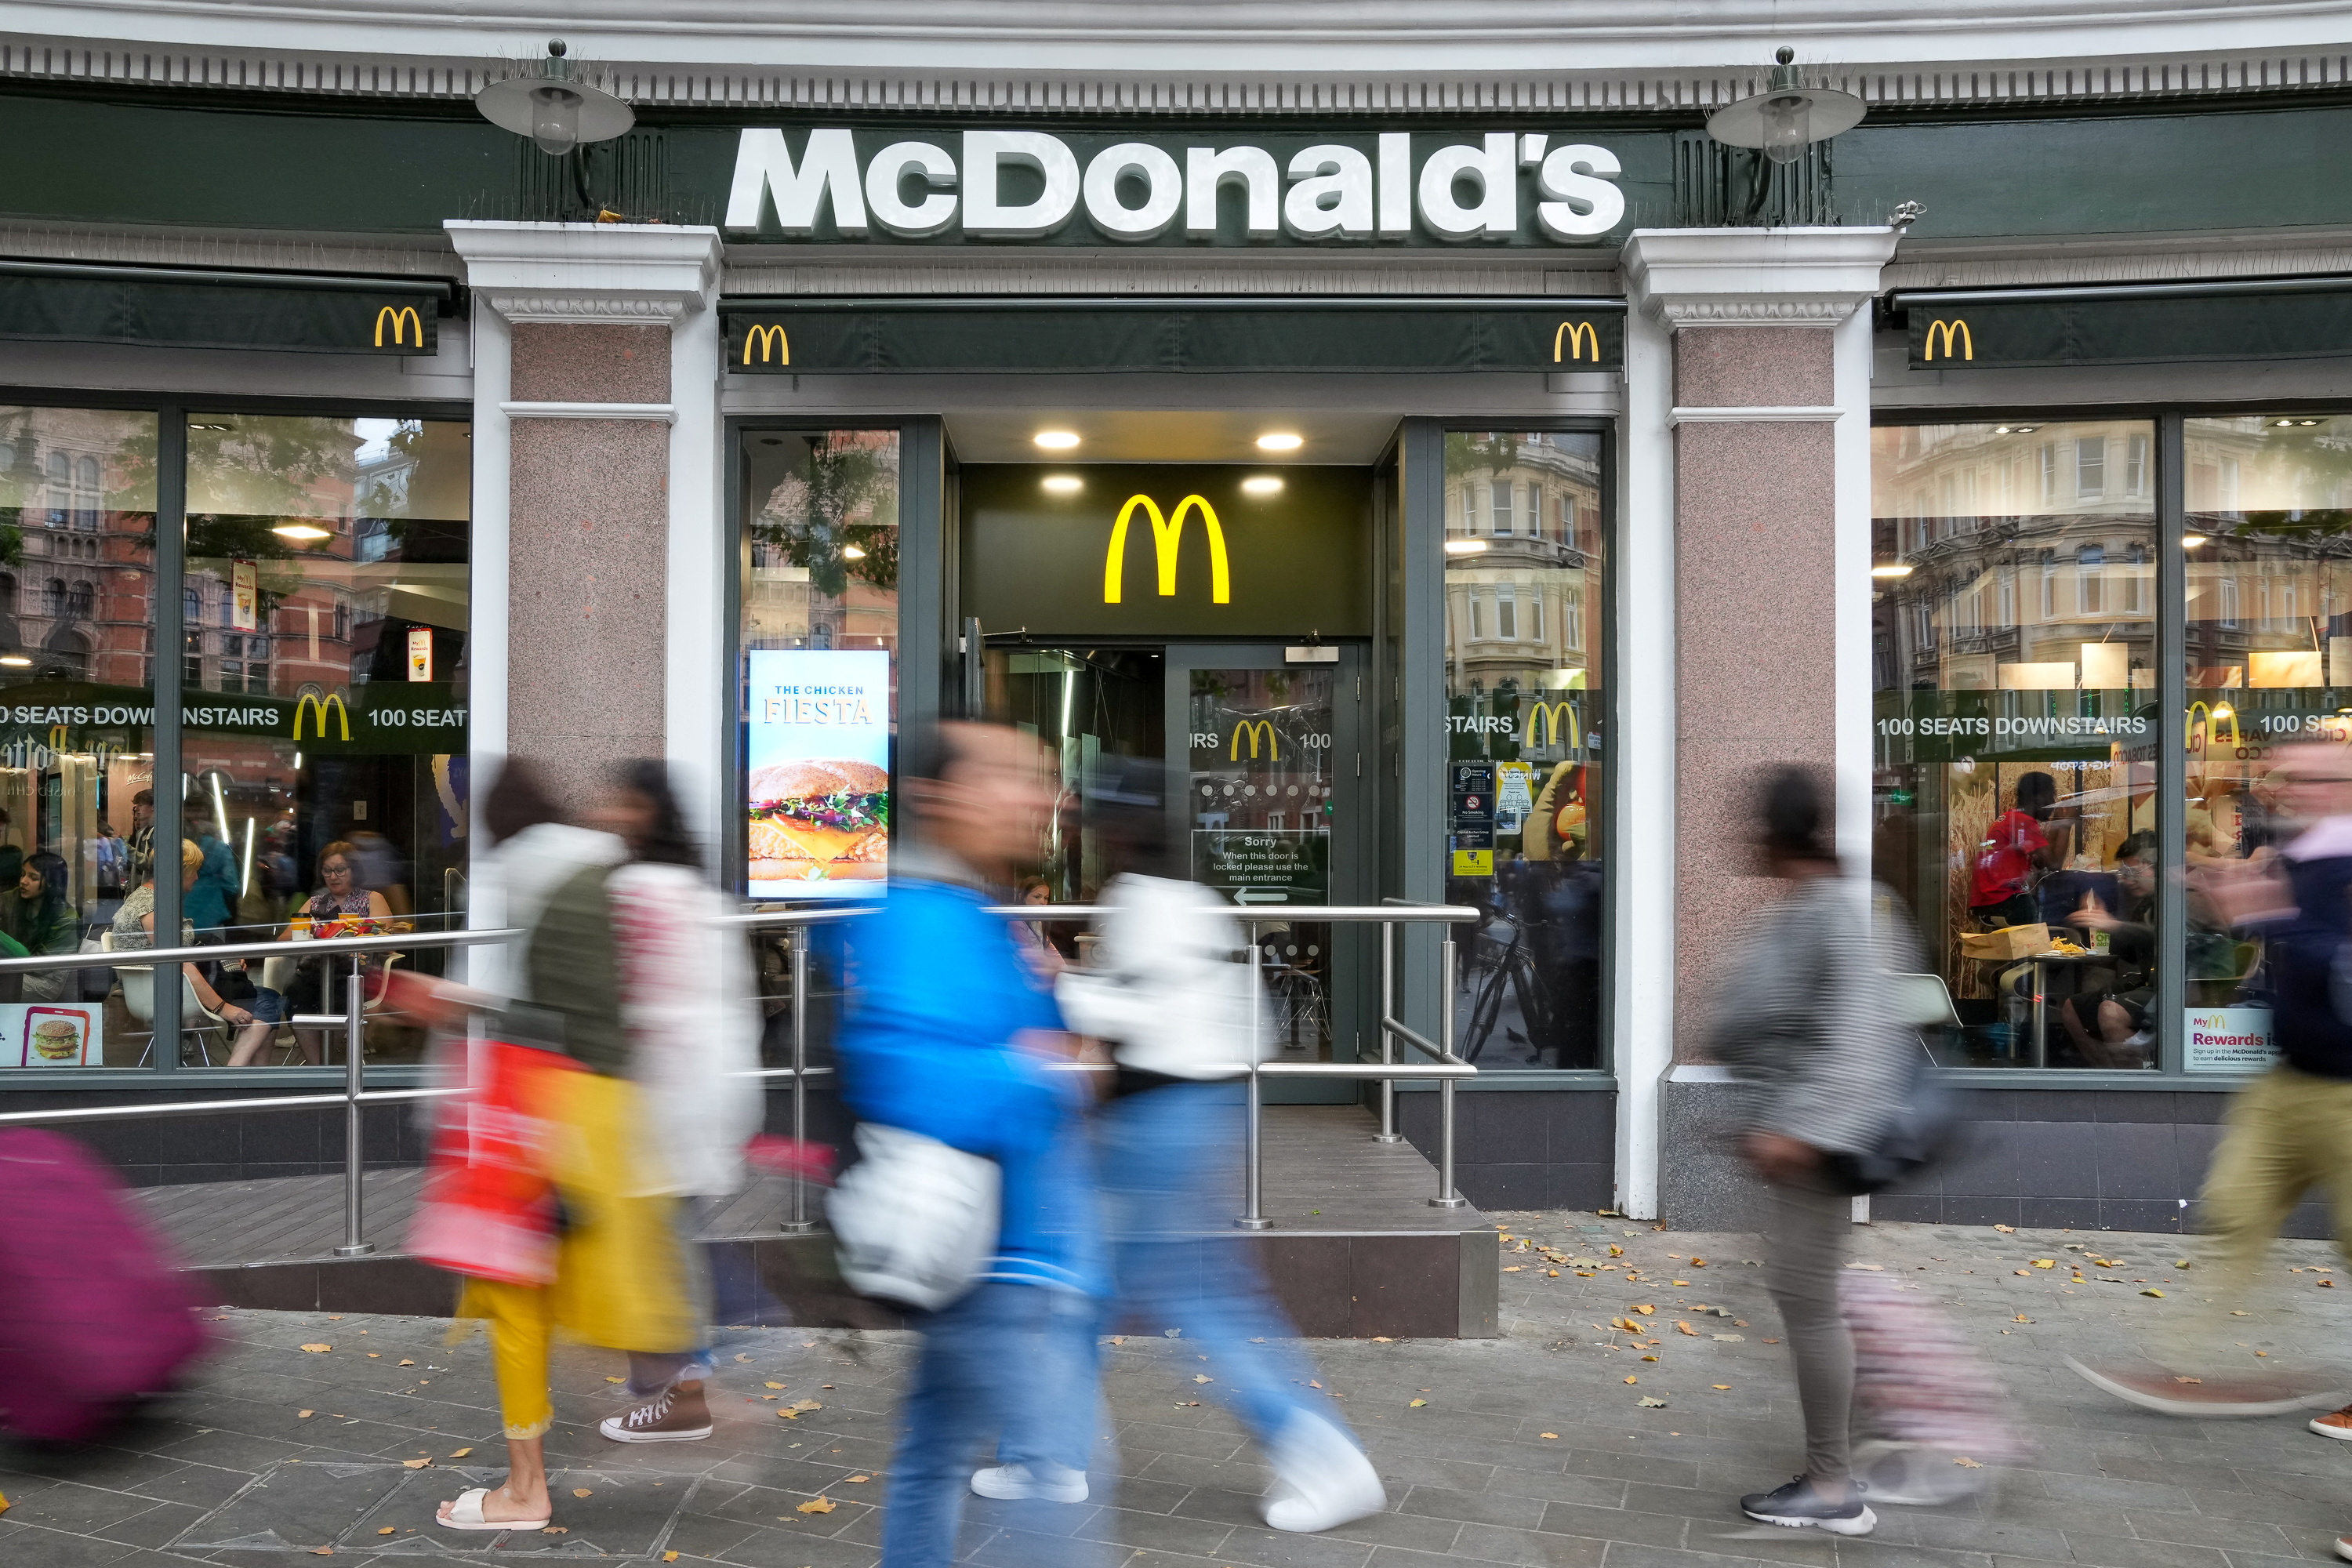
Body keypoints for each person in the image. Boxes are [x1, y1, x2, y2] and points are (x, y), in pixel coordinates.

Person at [1024, 756, 1386, 1534]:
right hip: (1199, 1110)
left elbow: (1133, 1011)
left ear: (1121, 825)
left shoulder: (1141, 900)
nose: (1082, 827)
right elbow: (1213, 1010)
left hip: (1157, 1118)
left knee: (1144, 1288)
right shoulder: (1195, 899)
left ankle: (1314, 1449)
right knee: (1137, 1285)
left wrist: (1058, 980)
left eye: (1092, 815)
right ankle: (1050, 1455)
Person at [837, 721, 1107, 1568]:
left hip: (996, 1251)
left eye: (1041, 778)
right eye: (1008, 777)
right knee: (1055, 1506)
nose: (1038, 797)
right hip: (993, 1259)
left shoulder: (971, 907)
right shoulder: (921, 915)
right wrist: (1044, 1069)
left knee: (933, 1453)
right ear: (938, 797)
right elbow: (902, 1072)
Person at [434, 759, 704, 1535]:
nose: (610, 812)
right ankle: (678, 1395)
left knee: (514, 1298)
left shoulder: (563, 881)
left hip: (548, 1109)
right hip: (601, 1114)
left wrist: (460, 1008)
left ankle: (527, 1487)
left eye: (624, 798)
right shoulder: (618, 879)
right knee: (584, 1290)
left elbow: (561, 1016)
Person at [2070, 739, 2352, 1445]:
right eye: (2288, 778)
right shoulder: (2304, 855)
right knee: (2232, 1211)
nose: (2289, 791)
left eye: (2310, 779)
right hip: (2290, 1078)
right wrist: (2238, 898)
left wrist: (2269, 909)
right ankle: (2187, 1364)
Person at [1705, 764, 1917, 1537]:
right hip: (1799, 1139)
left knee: (1809, 1300)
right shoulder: (1812, 905)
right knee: (1803, 1294)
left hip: (1815, 1146)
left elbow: (1858, 1038)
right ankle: (1865, 1444)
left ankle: (1835, 1485)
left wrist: (1798, 1128)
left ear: (1773, 833)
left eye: (1749, 828)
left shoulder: (1833, 909)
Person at [593, 760, 763, 1444]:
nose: (610, 815)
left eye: (623, 803)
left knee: (647, 1243)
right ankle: (675, 1380)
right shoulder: (700, 894)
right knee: (666, 1236)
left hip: (652, 1093)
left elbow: (616, 994)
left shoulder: (630, 892)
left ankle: (683, 1385)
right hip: (696, 1091)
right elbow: (736, 1002)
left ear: (648, 813)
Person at [111, 839, 263, 1062]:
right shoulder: (152, 909)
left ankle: (248, 1074)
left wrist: (226, 959)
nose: (197, 878)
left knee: (261, 1003)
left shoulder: (150, 900)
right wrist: (224, 1009)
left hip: (160, 985)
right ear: (179, 872)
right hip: (164, 990)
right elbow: (178, 962)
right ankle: (243, 1074)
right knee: (264, 1004)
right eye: (195, 871)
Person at [273, 841, 395, 1065]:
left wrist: (352, 931)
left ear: (354, 870)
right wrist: (310, 930)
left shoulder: (371, 899)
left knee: (342, 992)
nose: (333, 876)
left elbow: (388, 940)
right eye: (327, 870)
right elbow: (283, 939)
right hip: (314, 971)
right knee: (294, 991)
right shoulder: (316, 902)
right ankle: (318, 1065)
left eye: (340, 870)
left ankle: (323, 1065)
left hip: (357, 973)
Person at [2059, 832, 2157, 1067]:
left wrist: (2114, 925)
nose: (2127, 880)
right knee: (2074, 1008)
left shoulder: (2181, 897)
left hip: (2183, 988)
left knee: (2111, 1012)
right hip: (2149, 980)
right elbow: (2132, 954)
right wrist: (2102, 927)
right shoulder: (2146, 903)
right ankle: (2110, 1075)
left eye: (2134, 872)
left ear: (2156, 866)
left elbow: (2172, 939)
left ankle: (2137, 1087)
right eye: (2124, 873)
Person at [1969, 771, 2063, 929]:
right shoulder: (2023, 822)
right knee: (2040, 908)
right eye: (2051, 796)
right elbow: (2054, 865)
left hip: (1986, 900)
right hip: (2004, 901)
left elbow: (2040, 862)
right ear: (2038, 798)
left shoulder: (2011, 818)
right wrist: (2065, 823)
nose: (2053, 803)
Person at [0, 849, 82, 1004]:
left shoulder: (66, 917)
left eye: (33, 878)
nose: (23, 881)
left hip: (44, 980)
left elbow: (41, 966)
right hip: (13, 968)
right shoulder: (12, 898)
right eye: (23, 874)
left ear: (50, 883)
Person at [181, 809, 238, 935]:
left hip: (181, 915)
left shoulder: (179, 846)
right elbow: (232, 885)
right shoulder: (221, 849)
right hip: (212, 917)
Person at [1009, 874, 1066, 982]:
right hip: (1023, 976)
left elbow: (1048, 945)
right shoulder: (1017, 921)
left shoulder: (1038, 919)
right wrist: (1051, 971)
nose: (1043, 902)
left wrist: (1064, 969)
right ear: (1022, 896)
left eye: (1046, 898)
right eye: (1037, 897)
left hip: (1038, 971)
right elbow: (1028, 956)